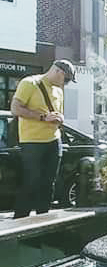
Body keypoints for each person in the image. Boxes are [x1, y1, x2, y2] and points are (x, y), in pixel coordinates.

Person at [10, 59, 76, 218]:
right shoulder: (29, 83)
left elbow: (58, 113)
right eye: (66, 79)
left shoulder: (59, 90)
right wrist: (42, 117)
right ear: (58, 71)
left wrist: (60, 118)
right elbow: (15, 108)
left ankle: (43, 221)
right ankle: (20, 222)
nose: (66, 83)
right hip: (32, 142)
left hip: (54, 141)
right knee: (31, 182)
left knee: (48, 184)